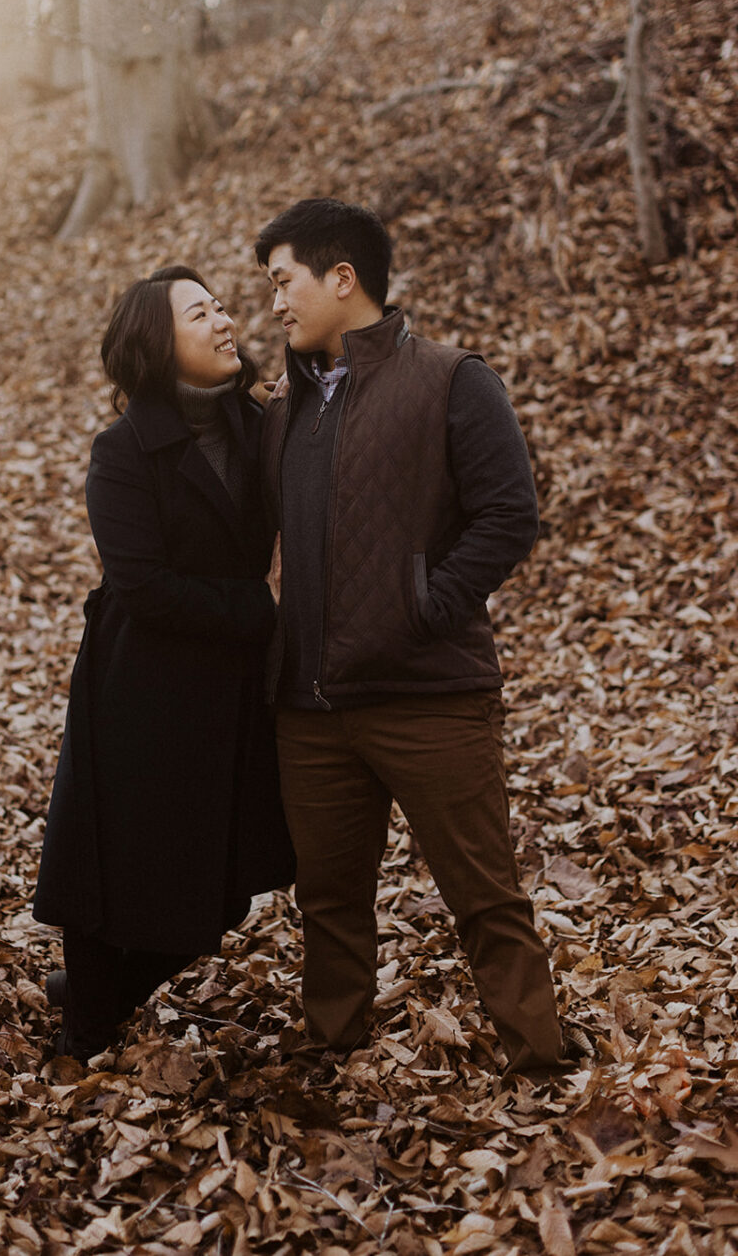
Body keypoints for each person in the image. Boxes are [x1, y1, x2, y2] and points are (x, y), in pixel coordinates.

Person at [254, 197, 569, 1077]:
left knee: (485, 895)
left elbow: (509, 515)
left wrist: (424, 612)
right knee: (328, 900)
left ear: (342, 278)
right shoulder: (286, 408)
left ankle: (539, 1062)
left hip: (430, 695)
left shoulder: (450, 377)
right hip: (311, 711)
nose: (275, 303)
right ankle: (332, 1051)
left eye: (285, 282)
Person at [33, 265, 294, 1061]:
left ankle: (100, 996)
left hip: (231, 686)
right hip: (137, 684)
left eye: (219, 306)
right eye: (198, 313)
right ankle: (84, 1030)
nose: (223, 321)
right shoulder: (121, 452)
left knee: (222, 887)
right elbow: (143, 586)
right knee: (106, 871)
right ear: (158, 343)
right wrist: (266, 607)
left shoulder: (258, 426)